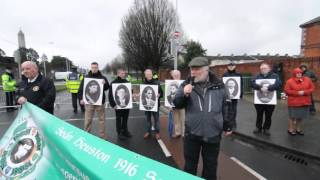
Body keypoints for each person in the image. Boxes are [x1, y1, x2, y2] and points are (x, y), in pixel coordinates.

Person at [173, 57, 233, 180]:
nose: (193, 72)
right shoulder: (186, 84)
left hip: (213, 134)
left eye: (197, 69)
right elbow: (177, 103)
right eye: (191, 69)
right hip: (192, 133)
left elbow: (226, 105)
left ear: (206, 70)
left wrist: (227, 125)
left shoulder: (220, 85)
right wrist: (184, 94)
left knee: (210, 166)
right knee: (190, 166)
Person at [79, 62, 109, 139]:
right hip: (89, 102)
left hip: (100, 102)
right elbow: (81, 89)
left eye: (96, 67)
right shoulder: (86, 78)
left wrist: (105, 84)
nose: (94, 69)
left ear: (98, 68)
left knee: (101, 120)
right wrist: (81, 98)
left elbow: (106, 88)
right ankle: (86, 135)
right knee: (88, 120)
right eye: (93, 67)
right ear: (91, 68)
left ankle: (102, 136)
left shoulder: (103, 78)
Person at [251, 63, 282, 136]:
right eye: (262, 69)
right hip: (259, 99)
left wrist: (268, 88)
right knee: (259, 114)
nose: (263, 70)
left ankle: (266, 128)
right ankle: (258, 127)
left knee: (268, 115)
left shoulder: (275, 76)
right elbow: (252, 83)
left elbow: (279, 84)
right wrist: (260, 88)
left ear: (269, 69)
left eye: (265, 68)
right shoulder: (257, 76)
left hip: (270, 100)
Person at [284, 68, 314, 136]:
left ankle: (298, 129)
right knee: (292, 117)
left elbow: (312, 88)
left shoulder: (307, 79)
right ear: (294, 74)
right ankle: (291, 129)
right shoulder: (289, 81)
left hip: (304, 102)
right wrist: (297, 93)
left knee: (300, 117)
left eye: (300, 73)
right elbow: (286, 91)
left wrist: (304, 92)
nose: (299, 74)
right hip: (294, 103)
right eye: (297, 73)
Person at [108, 69, 132, 139]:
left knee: (125, 118)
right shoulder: (113, 83)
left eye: (124, 73)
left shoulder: (127, 82)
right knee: (118, 119)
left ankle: (125, 131)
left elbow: (129, 93)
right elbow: (110, 95)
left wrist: (132, 90)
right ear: (118, 74)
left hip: (126, 105)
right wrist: (113, 104)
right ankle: (119, 133)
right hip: (117, 105)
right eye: (121, 73)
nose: (123, 75)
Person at [143, 69, 163, 140]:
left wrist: (159, 95)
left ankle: (157, 133)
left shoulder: (157, 83)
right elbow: (143, 95)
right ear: (145, 75)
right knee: (148, 119)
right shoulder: (143, 84)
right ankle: (148, 131)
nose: (148, 75)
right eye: (147, 74)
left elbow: (161, 93)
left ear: (152, 74)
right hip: (146, 106)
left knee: (156, 119)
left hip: (155, 105)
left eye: (149, 73)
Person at [222, 61, 243, 129]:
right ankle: (227, 121)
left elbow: (240, 84)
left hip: (235, 95)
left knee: (234, 109)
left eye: (232, 65)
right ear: (227, 67)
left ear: (235, 66)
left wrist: (241, 93)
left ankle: (233, 121)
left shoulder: (238, 74)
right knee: (227, 108)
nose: (231, 67)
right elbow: (223, 85)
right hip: (227, 95)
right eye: (229, 66)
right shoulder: (225, 75)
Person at [169, 70, 185, 138]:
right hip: (174, 106)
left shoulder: (184, 83)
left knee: (184, 120)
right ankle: (177, 133)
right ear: (172, 76)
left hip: (183, 105)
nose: (176, 76)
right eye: (175, 75)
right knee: (176, 120)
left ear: (180, 75)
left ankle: (184, 134)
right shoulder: (169, 83)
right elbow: (168, 95)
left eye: (178, 75)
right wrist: (170, 105)